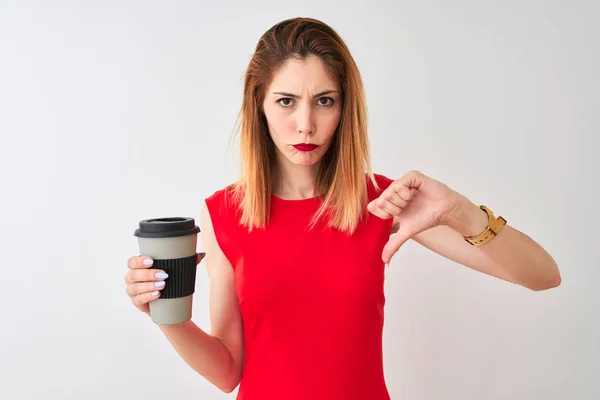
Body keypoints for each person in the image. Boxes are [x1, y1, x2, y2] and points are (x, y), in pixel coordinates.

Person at [124, 17, 561, 400]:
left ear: (344, 107)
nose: (305, 124)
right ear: (258, 104)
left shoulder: (384, 202)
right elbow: (227, 373)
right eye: (286, 101)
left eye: (324, 101)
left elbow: (543, 275)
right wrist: (166, 316)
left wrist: (463, 212)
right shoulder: (224, 214)